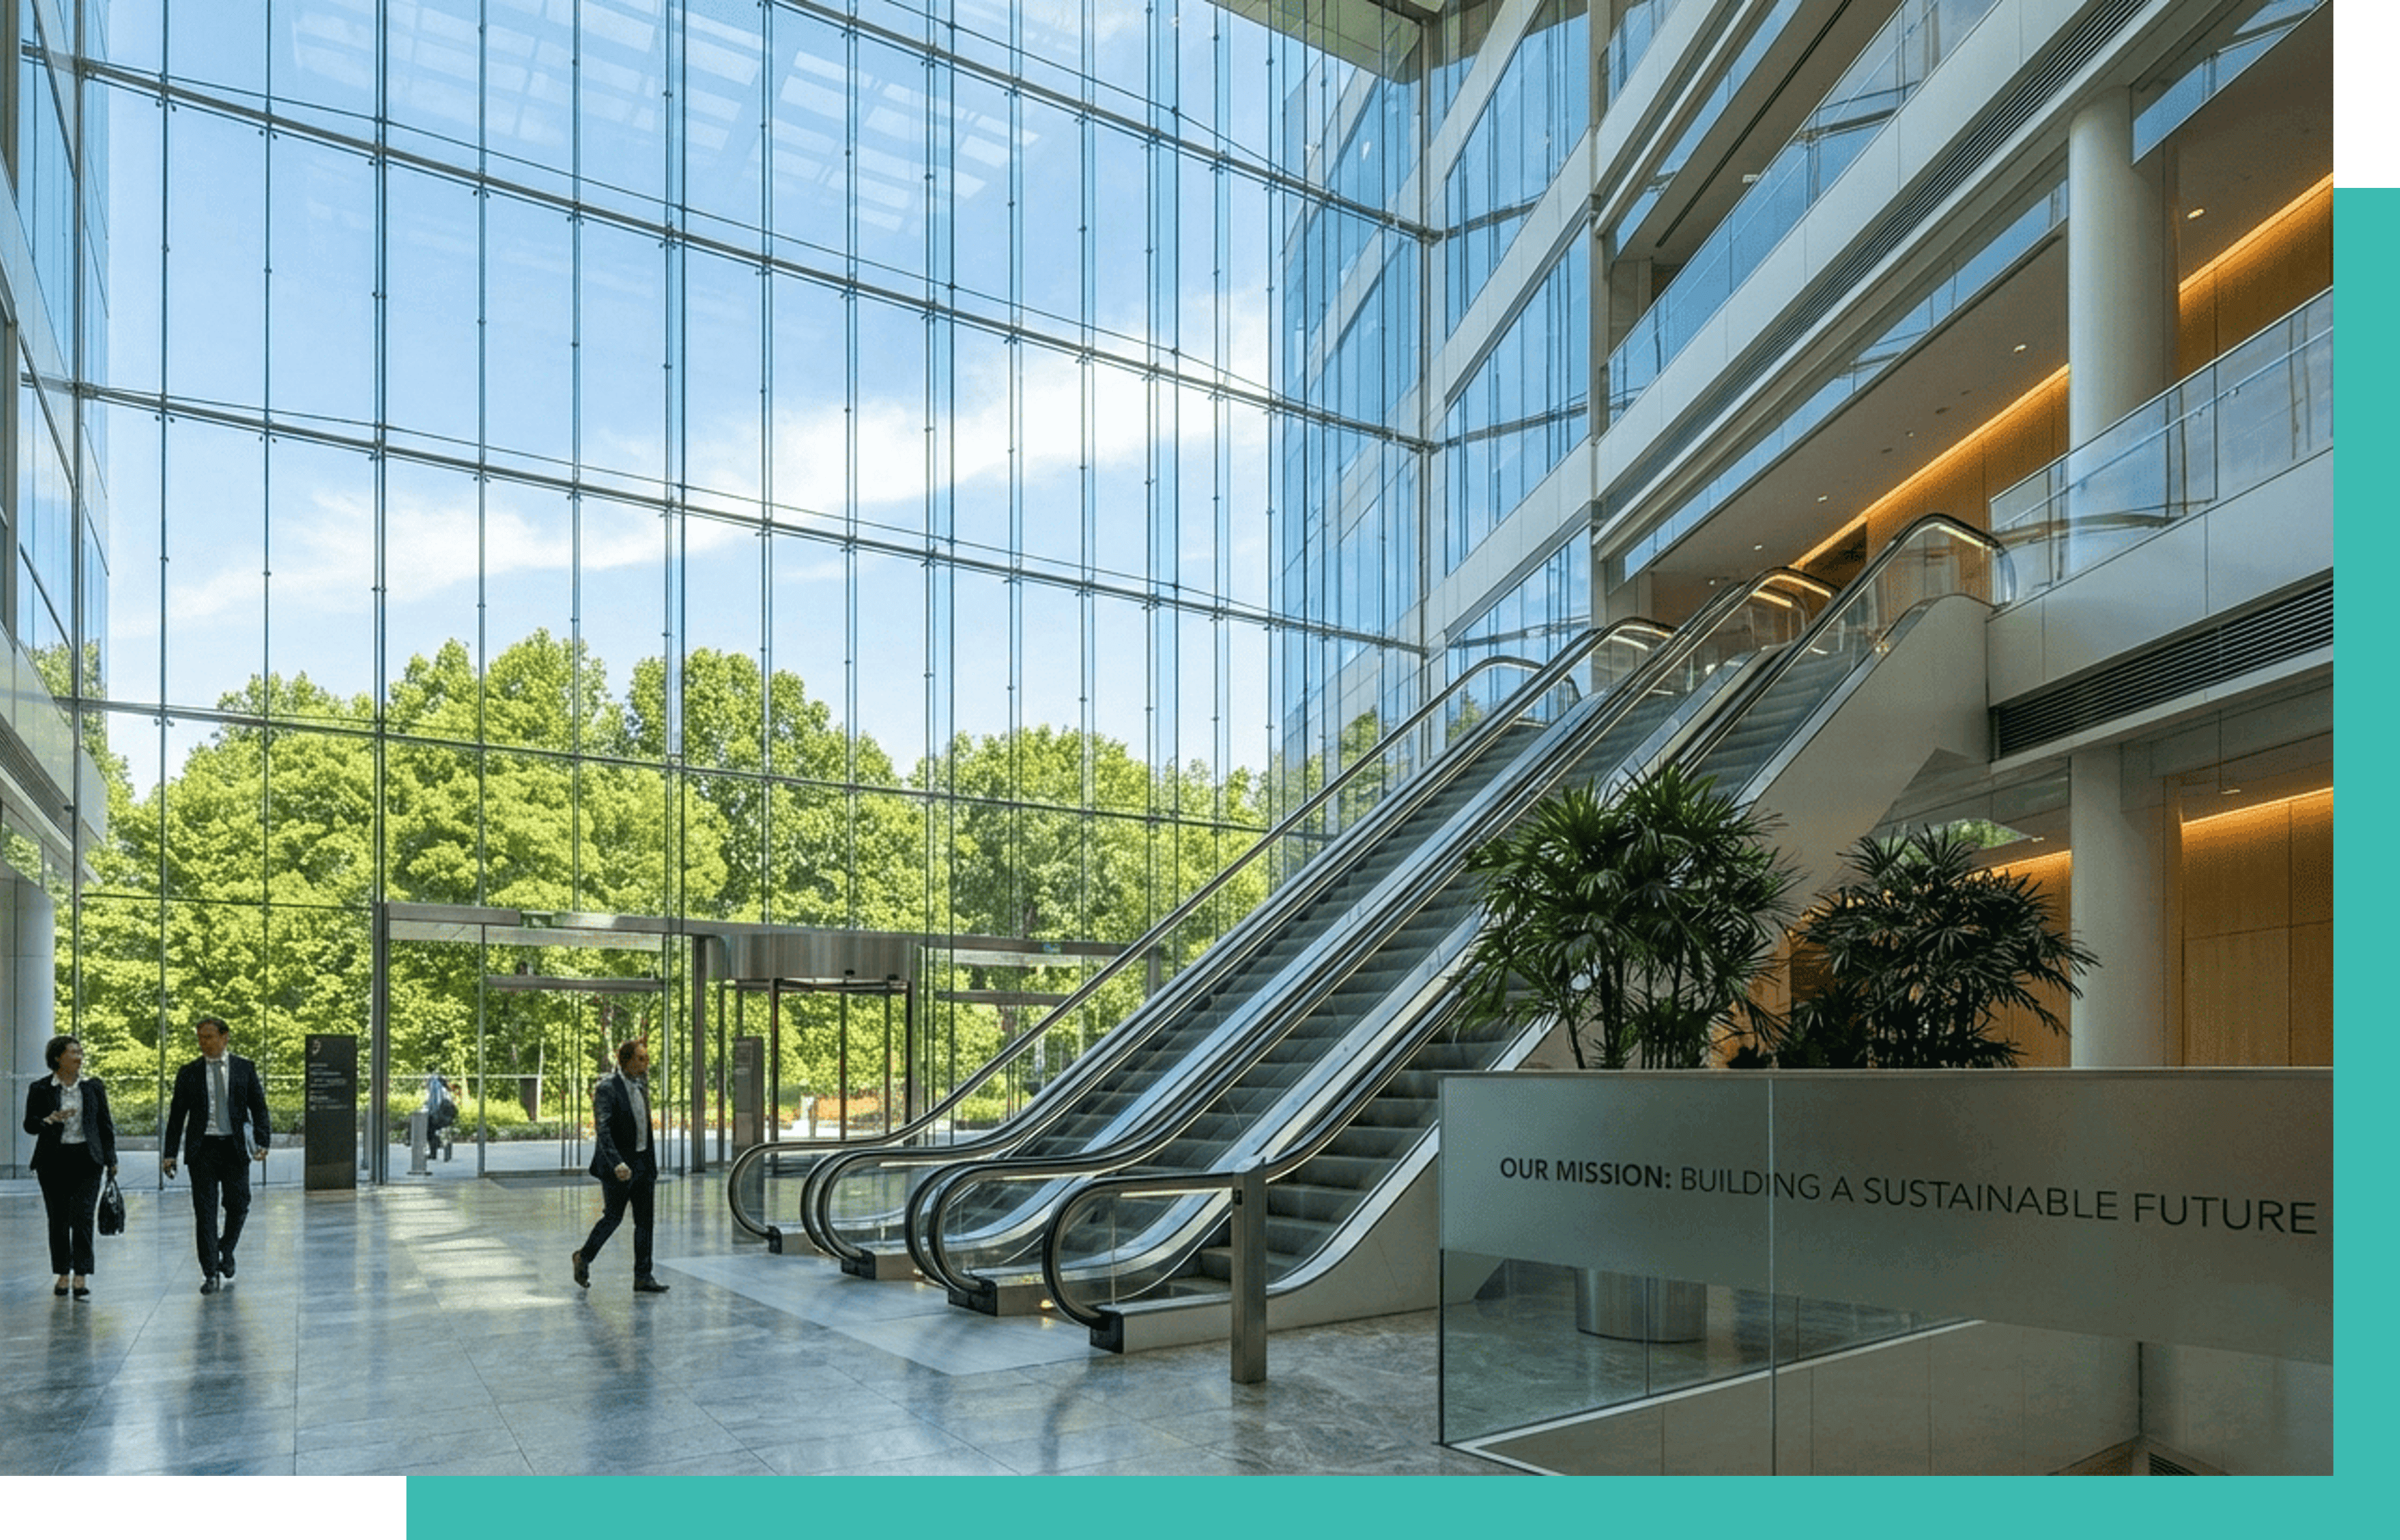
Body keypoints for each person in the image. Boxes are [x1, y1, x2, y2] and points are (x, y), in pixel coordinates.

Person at [162, 1015, 271, 1294]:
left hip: (234, 1148)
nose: (203, 1043)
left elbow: (259, 1107)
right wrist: (170, 1153)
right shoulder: (188, 1072)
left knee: (239, 1204)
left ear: (225, 1037)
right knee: (205, 1212)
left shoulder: (245, 1069)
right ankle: (210, 1272)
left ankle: (226, 1249)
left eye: (209, 1037)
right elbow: (176, 1117)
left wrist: (262, 1140)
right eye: (200, 1038)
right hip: (203, 1151)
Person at [22, 1035, 117, 1300]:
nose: (79, 1057)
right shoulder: (41, 1088)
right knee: (59, 1218)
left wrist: (111, 1159)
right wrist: (48, 1120)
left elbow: (105, 1125)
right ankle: (63, 1273)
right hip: (53, 1160)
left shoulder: (93, 1087)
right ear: (57, 1058)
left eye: (80, 1052)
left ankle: (82, 1275)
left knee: (84, 1217)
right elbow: (29, 1124)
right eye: (73, 1052)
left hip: (88, 1159)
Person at [571, 1038, 668, 1294]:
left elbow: (643, 1128)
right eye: (641, 1059)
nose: (646, 1064)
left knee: (645, 1222)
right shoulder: (608, 1088)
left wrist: (650, 1164)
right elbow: (603, 1130)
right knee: (613, 1217)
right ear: (625, 1061)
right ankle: (583, 1257)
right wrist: (617, 1163)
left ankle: (643, 1276)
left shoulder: (642, 1085)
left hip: (643, 1164)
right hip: (619, 1166)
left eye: (646, 1058)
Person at [422, 1066, 457, 1157]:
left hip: (438, 1116)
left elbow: (435, 1103)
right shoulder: (443, 1088)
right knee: (433, 1131)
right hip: (447, 1116)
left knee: (428, 1130)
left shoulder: (434, 1085)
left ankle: (434, 1150)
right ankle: (439, 1144)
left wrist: (429, 1112)